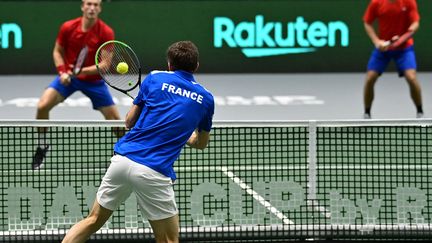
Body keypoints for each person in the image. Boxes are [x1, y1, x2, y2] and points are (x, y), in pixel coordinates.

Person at [61, 40, 215, 243]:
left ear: (169, 64)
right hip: (153, 171)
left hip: (122, 161)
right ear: (196, 66)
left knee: (93, 220)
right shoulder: (206, 99)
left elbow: (128, 122)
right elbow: (201, 143)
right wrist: (186, 135)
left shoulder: (154, 79)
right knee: (168, 239)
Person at [32, 0, 121, 170]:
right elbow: (57, 51)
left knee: (117, 122)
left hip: (94, 82)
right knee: (42, 105)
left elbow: (105, 65)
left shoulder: (106, 32)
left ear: (100, 8)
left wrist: (82, 71)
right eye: (89, 4)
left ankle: (123, 153)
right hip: (69, 78)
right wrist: (62, 71)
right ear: (82, 7)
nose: (92, 8)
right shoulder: (68, 27)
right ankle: (42, 146)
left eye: (96, 5)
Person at [362, 0, 423, 119]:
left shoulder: (409, 2)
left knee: (411, 77)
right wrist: (377, 42)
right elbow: (367, 22)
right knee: (370, 78)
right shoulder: (376, 3)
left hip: (404, 48)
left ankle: (420, 112)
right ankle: (367, 113)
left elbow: (415, 24)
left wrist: (404, 37)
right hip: (383, 49)